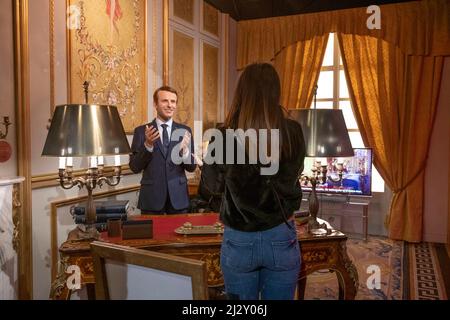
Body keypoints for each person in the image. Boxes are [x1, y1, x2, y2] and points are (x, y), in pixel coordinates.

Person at [201, 63, 306, 300]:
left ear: (241, 93)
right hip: (281, 233)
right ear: (275, 92)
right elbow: (294, 177)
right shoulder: (293, 131)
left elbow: (211, 187)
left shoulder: (222, 136)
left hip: (239, 237)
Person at [129, 86, 196, 214]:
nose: (170, 105)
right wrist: (147, 145)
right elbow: (134, 167)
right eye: (165, 101)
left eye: (173, 101)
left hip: (178, 198)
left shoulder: (184, 131)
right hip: (151, 199)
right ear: (155, 104)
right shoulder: (141, 131)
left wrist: (185, 152)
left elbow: (191, 167)